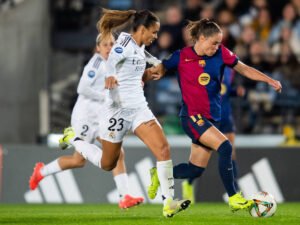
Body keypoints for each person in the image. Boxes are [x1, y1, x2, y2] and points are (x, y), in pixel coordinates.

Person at [59, 9, 191, 218]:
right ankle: (73, 139)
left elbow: (145, 58)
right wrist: (111, 74)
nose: (155, 36)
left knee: (163, 149)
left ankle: (169, 203)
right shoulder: (124, 44)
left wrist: (157, 65)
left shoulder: (140, 46)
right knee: (107, 163)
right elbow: (112, 60)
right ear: (142, 29)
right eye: (154, 32)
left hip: (139, 108)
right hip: (116, 111)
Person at [146, 18, 282, 211]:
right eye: (214, 43)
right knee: (226, 147)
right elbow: (162, 67)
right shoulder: (181, 56)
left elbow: (243, 68)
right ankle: (234, 197)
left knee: (195, 169)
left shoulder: (221, 53)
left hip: (211, 118)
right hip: (192, 117)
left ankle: (159, 174)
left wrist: (269, 80)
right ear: (201, 38)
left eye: (219, 43)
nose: (217, 47)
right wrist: (154, 71)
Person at [29, 33, 144, 209]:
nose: (109, 47)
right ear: (97, 48)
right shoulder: (96, 63)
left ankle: (124, 196)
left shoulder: (114, 64)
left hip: (100, 118)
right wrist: (105, 96)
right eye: (104, 45)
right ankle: (47, 166)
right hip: (85, 118)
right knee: (86, 159)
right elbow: (82, 88)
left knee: (110, 155)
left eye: (112, 44)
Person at [181, 67, 246, 203]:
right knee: (204, 158)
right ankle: (188, 182)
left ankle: (236, 192)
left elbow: (225, 91)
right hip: (210, 118)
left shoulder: (230, 70)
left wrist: (236, 92)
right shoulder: (204, 68)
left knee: (231, 154)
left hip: (226, 118)